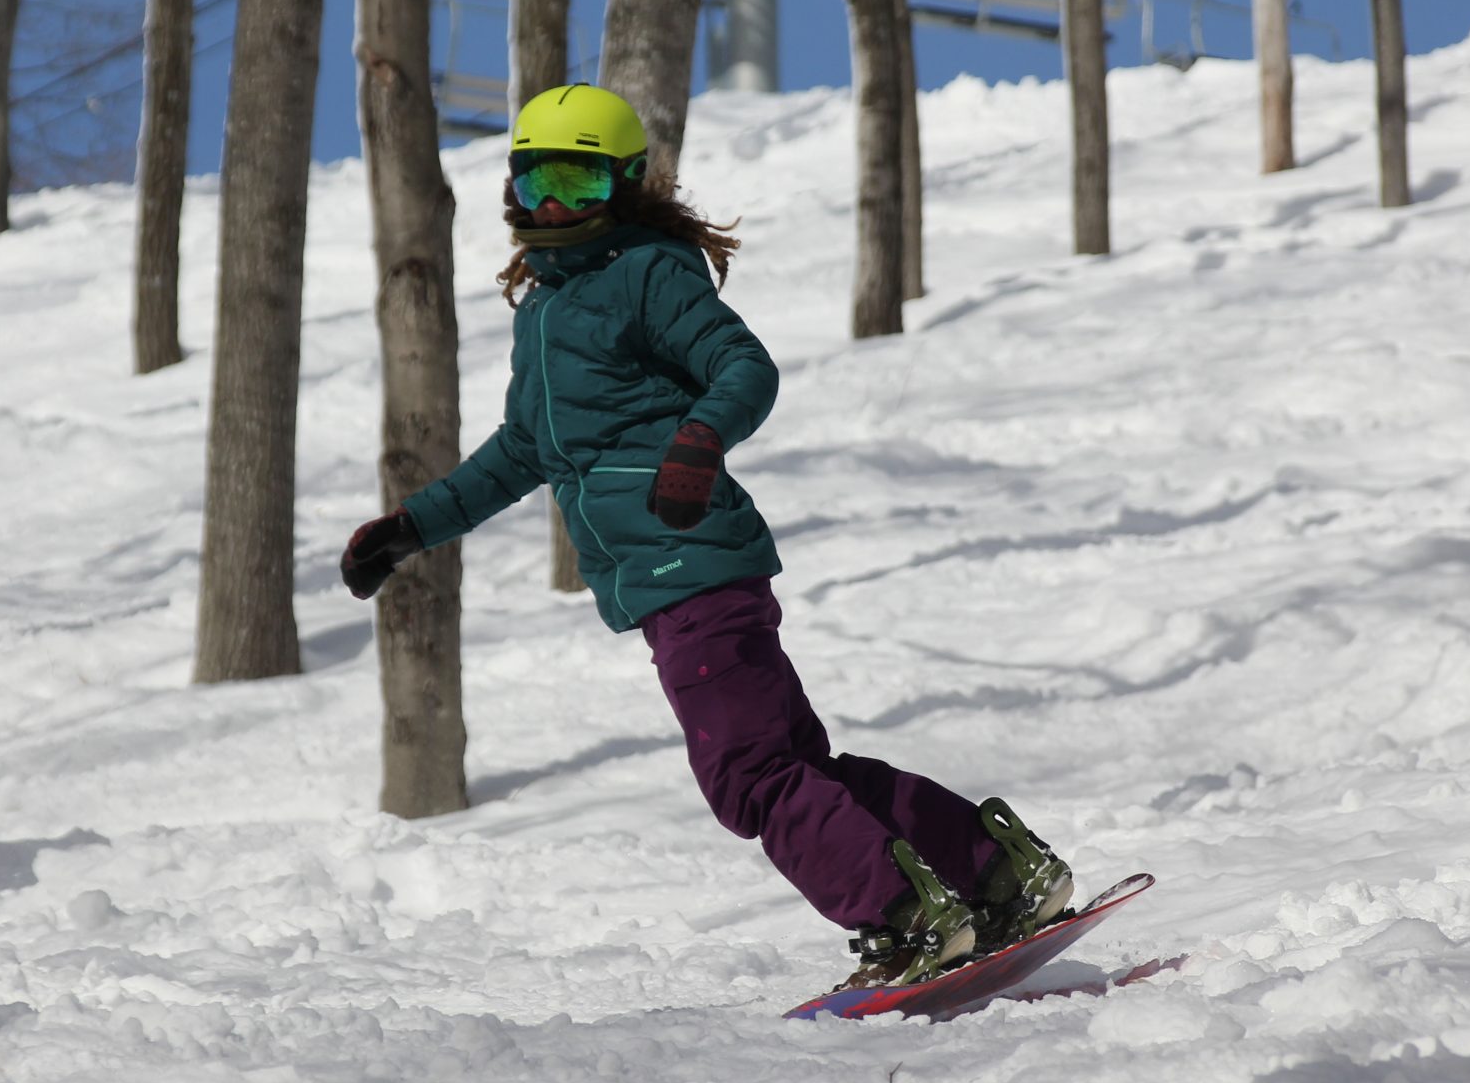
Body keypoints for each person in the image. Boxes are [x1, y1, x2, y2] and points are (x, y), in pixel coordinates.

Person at [339, 85, 1072, 989]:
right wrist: (413, 527)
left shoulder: (649, 271)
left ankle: (907, 915)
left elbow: (742, 366)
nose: (555, 205)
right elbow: (524, 450)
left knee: (750, 778)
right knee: (799, 766)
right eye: (536, 183)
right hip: (670, 585)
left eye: (576, 179)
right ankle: (996, 877)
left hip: (694, 563)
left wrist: (698, 439)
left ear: (627, 181)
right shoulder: (542, 311)